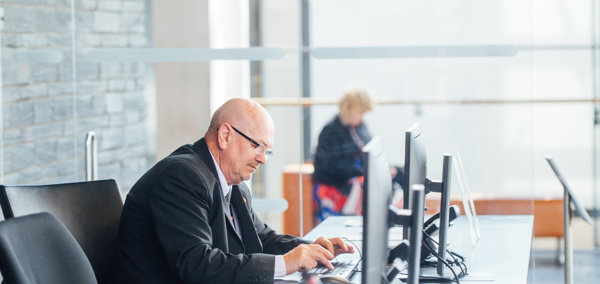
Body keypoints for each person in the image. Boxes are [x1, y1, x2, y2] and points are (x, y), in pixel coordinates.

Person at [109, 98, 354, 284]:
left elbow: (262, 239)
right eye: (258, 146)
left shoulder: (232, 182)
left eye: (267, 151)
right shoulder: (180, 177)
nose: (263, 159)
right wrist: (285, 263)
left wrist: (311, 249)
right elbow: (196, 264)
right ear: (225, 135)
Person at [312, 86, 404, 223]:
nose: (362, 117)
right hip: (339, 183)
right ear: (350, 110)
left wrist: (385, 167)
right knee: (376, 186)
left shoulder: (360, 127)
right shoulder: (331, 131)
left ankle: (399, 218)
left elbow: (372, 152)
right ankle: (384, 220)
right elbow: (333, 168)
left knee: (400, 173)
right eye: (360, 113)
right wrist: (366, 172)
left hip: (359, 176)